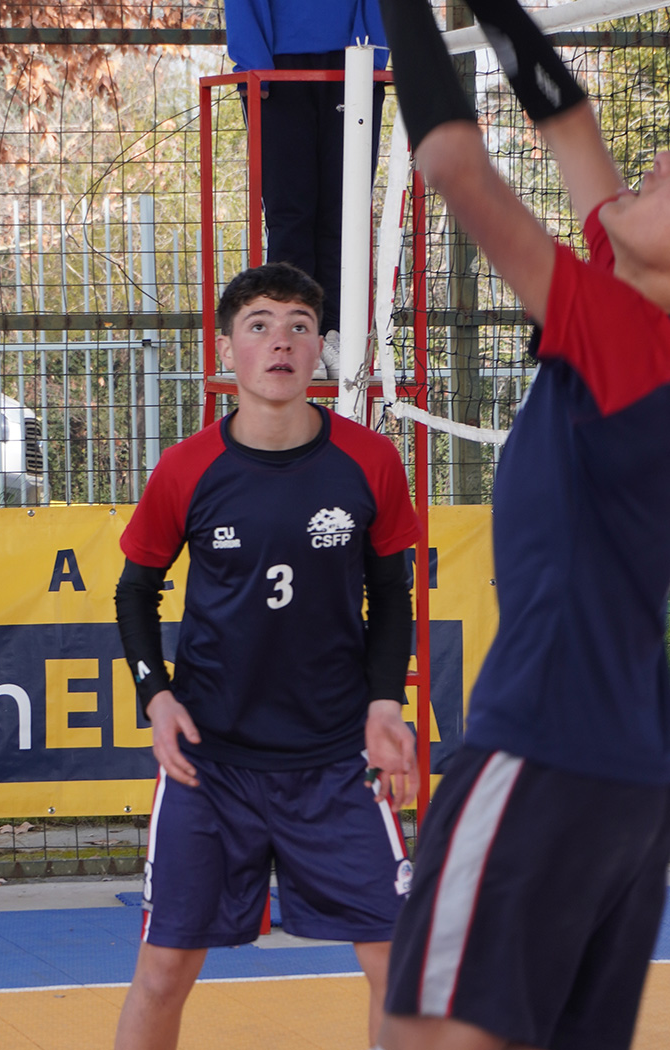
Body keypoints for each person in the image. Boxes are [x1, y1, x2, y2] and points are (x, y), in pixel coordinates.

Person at [372, 2, 670, 1049]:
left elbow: (457, 167)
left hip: (542, 747)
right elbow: (569, 125)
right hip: (629, 781)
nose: (651, 164)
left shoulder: (628, 335)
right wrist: (497, 12)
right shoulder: (631, 302)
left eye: (669, 181)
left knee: (420, 1038)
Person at [112, 260, 422, 1050]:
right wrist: (156, 696)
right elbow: (134, 592)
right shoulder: (186, 467)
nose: (280, 340)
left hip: (336, 759)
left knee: (402, 968)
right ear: (228, 350)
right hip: (210, 763)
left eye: (298, 326)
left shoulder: (370, 461)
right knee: (162, 972)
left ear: (318, 349)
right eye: (259, 325)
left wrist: (385, 701)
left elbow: (391, 594)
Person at [223, 0, 389, 377]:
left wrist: (370, 57)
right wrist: (254, 67)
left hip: (354, 64)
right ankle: (296, 339)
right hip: (276, 69)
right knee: (289, 215)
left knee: (345, 213)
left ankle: (338, 335)